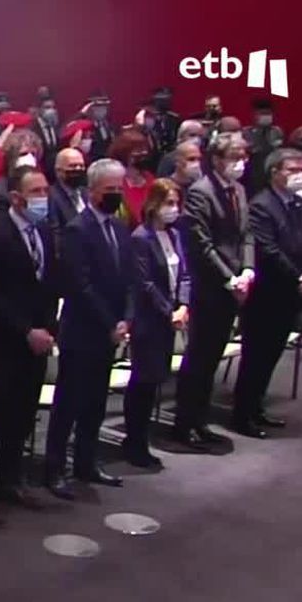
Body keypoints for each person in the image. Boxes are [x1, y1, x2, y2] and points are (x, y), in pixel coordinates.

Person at [0, 165, 58, 516]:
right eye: (36, 192)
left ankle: (10, 480)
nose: (43, 198)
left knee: (22, 416)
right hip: (3, 342)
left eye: (44, 191)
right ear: (15, 197)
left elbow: (50, 287)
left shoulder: (45, 234)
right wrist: (26, 330)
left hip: (36, 344)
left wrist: (49, 328)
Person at [44, 158, 131, 499]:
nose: (116, 195)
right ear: (93, 191)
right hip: (82, 330)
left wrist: (125, 319)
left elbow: (128, 280)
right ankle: (54, 469)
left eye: (120, 189)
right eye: (110, 190)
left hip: (110, 331)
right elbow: (80, 285)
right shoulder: (78, 230)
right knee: (69, 402)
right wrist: (111, 322)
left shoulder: (120, 228)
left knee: (96, 401)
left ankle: (86, 462)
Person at [231, 149, 302, 437]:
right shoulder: (261, 205)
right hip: (267, 295)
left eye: (301, 170)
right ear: (274, 173)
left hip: (292, 294)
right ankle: (242, 415)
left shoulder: (301, 205)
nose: (299, 175)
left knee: (271, 356)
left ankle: (257, 408)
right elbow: (268, 250)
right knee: (256, 356)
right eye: (292, 170)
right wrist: (298, 277)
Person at [175, 133, 254, 449]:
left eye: (243, 156)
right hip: (210, 287)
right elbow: (202, 244)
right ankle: (185, 424)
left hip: (234, 284)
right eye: (234, 156)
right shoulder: (200, 193)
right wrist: (228, 279)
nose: (240, 163)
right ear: (218, 159)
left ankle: (200, 420)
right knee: (198, 359)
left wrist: (247, 270)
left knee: (213, 360)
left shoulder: (239, 190)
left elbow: (246, 235)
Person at [123, 179, 191, 466]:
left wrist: (184, 305)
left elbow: (185, 274)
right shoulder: (141, 237)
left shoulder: (174, 235)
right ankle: (134, 442)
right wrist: (169, 312)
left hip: (171, 318)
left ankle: (141, 439)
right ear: (153, 204)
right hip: (149, 320)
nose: (173, 209)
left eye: (176, 203)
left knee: (155, 382)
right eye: (168, 203)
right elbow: (145, 283)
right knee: (143, 383)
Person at [48, 147, 88, 261]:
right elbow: (56, 235)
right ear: (58, 171)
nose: (78, 169)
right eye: (72, 166)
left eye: (81, 166)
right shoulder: (51, 196)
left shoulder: (87, 193)